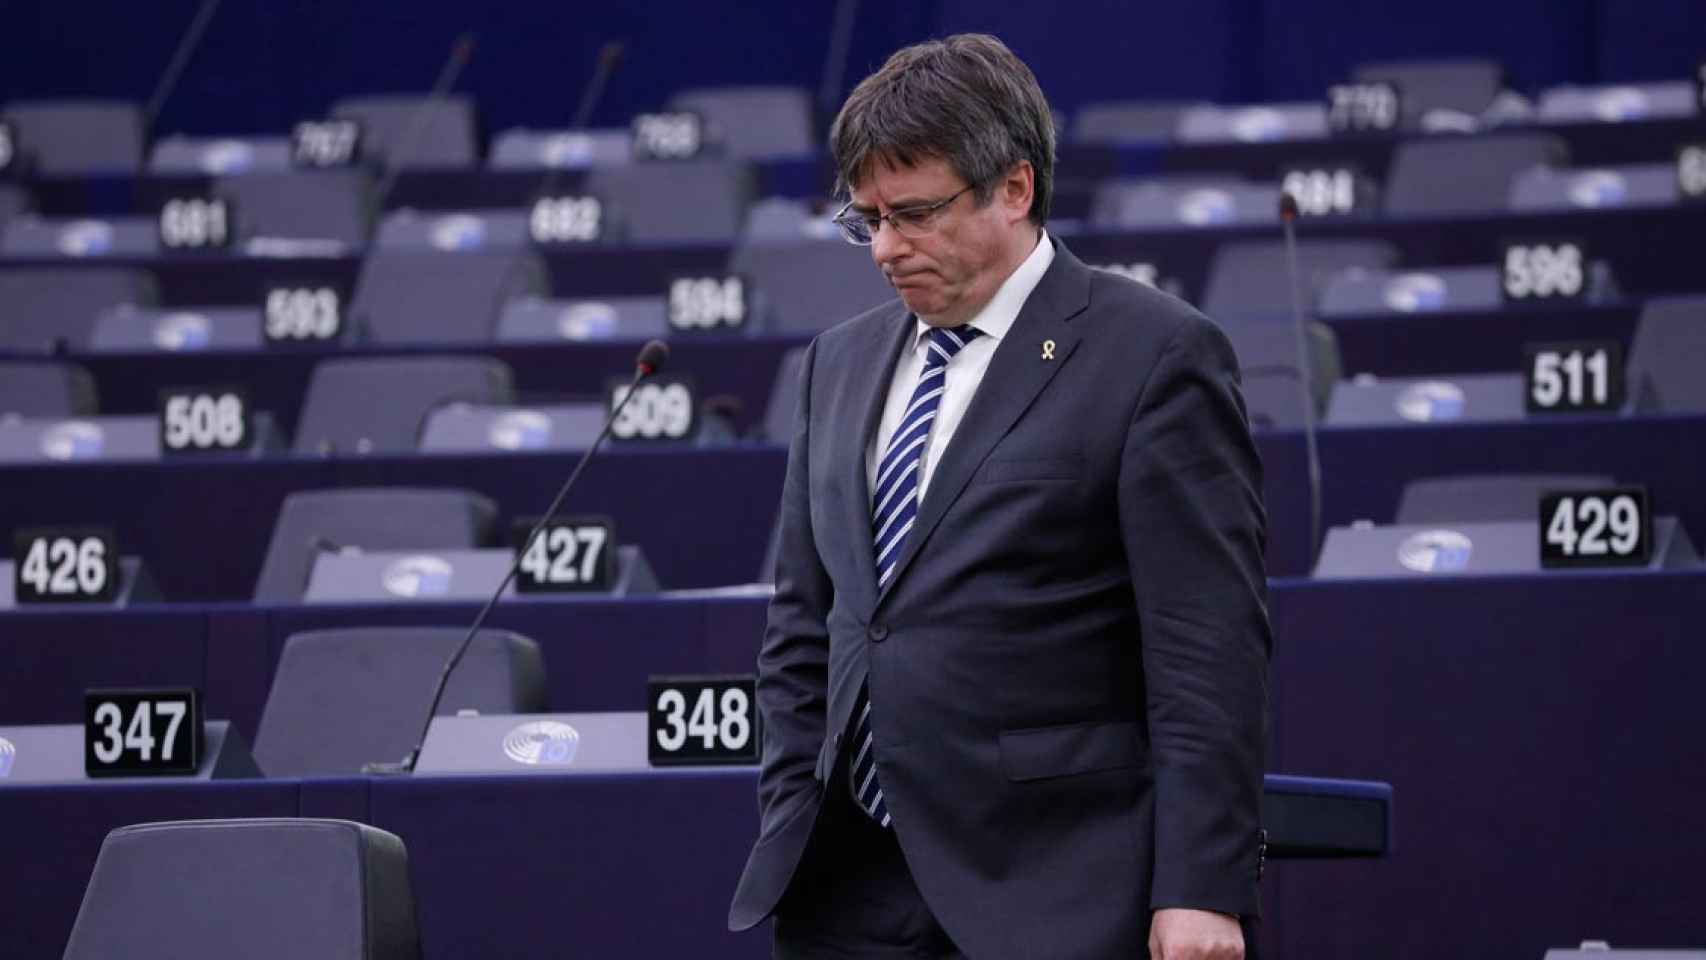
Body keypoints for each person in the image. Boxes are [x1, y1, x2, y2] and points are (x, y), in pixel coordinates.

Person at [729, 33, 1271, 960]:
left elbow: (1206, 649)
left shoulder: (1154, 353)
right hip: (848, 892)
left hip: (1061, 891)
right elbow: (804, 628)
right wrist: (793, 805)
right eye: (867, 221)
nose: (887, 251)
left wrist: (1200, 887)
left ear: (1013, 189)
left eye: (915, 214)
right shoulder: (837, 362)